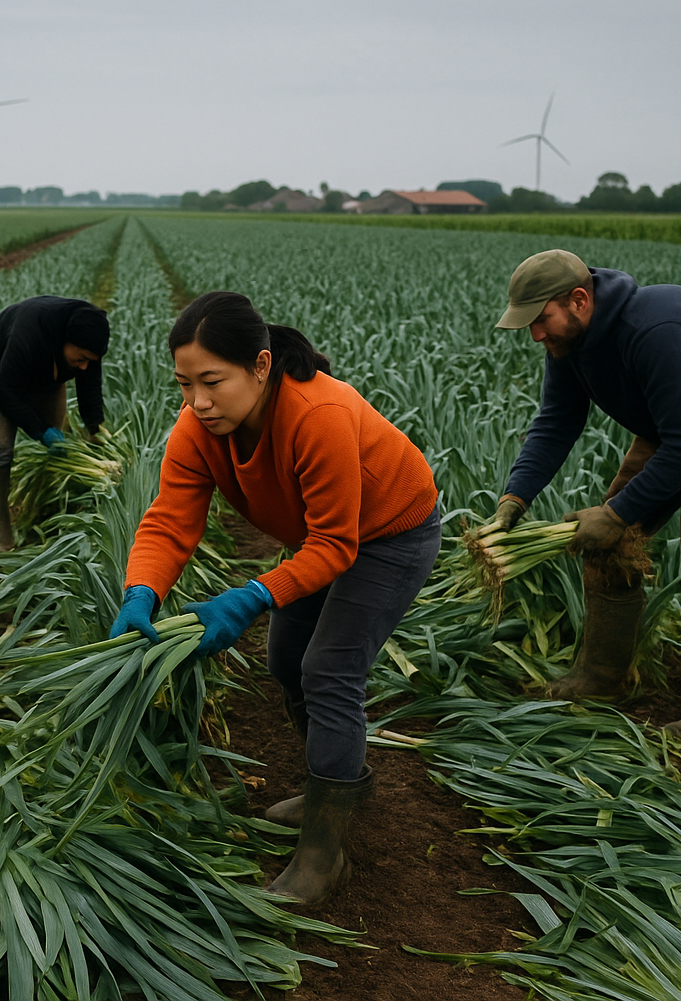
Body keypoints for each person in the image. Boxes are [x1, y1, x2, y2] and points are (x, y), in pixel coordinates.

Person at [109, 291, 440, 904]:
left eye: (212, 382)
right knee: (286, 659)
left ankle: (325, 854)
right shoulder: (199, 428)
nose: (198, 402)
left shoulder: (317, 414)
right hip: (321, 538)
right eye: (184, 384)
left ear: (260, 366)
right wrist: (140, 593)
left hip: (391, 533)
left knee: (329, 669)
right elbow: (170, 520)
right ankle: (335, 786)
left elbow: (337, 545)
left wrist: (251, 596)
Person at [489, 249, 681, 748]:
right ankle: (603, 676)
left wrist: (615, 513)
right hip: (674, 425)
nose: (536, 335)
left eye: (541, 320)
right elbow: (557, 421)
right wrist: (514, 498)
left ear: (579, 300)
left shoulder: (653, 330)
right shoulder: (570, 342)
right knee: (607, 545)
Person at [0, 295, 109, 551]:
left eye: (90, 360)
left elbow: (89, 390)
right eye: (81, 358)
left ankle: (48, 518)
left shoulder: (88, 339)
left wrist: (94, 430)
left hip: (46, 372)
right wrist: (43, 431)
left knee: (59, 451)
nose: (84, 366)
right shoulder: (29, 334)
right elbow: (7, 394)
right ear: (65, 340)